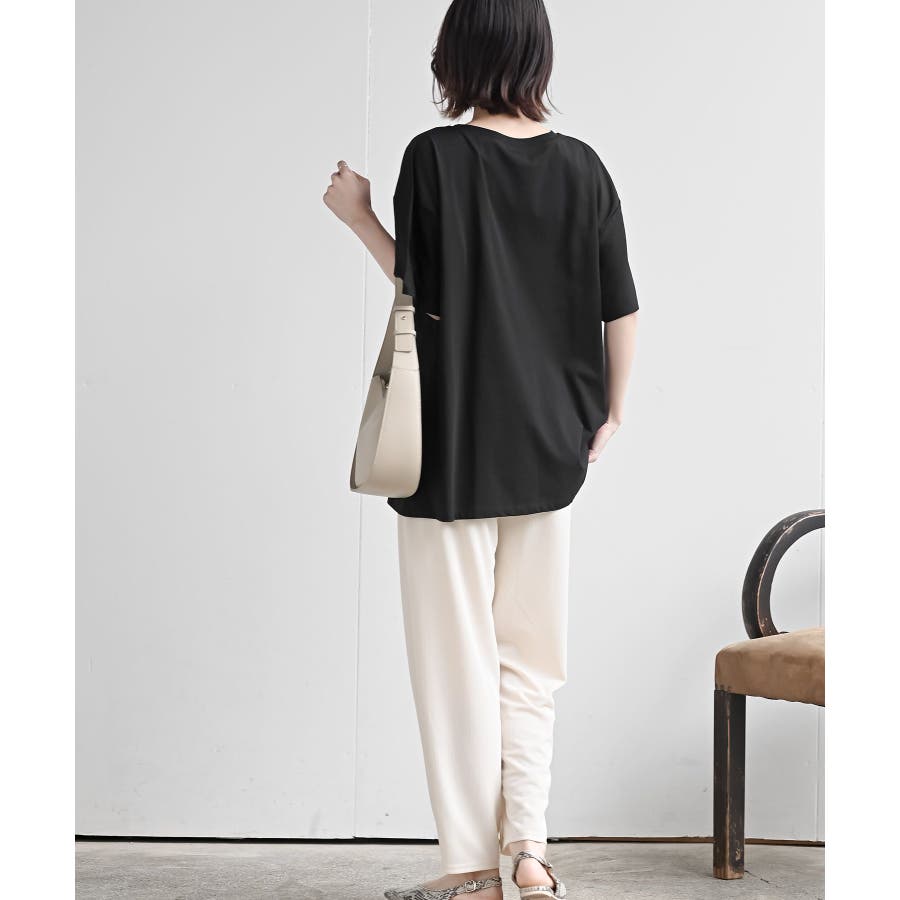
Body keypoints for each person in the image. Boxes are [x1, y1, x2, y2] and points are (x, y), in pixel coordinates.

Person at [323, 1, 639, 896]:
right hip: (551, 444)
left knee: (454, 662)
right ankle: (530, 852)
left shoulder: (435, 158)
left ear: (456, 55)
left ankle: (473, 870)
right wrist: (612, 415)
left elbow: (421, 285)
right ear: (538, 54)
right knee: (532, 660)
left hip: (449, 448)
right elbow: (621, 306)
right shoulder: (584, 167)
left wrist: (357, 215)